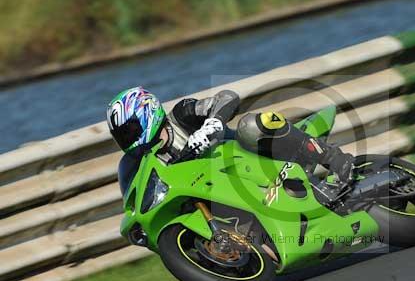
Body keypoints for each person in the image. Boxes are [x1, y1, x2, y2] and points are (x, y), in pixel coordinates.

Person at [107, 86, 354, 200]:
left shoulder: (181, 115)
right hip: (227, 190)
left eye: (129, 131)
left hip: (252, 154)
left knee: (250, 124)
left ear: (146, 113)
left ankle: (336, 160)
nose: (128, 139)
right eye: (122, 136)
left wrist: (213, 122)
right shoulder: (144, 164)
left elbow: (227, 97)